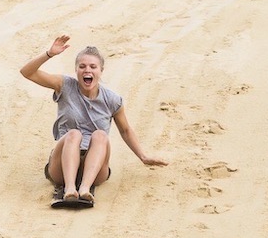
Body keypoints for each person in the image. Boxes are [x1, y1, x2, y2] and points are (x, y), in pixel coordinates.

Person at [20, 34, 168, 202]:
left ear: (101, 70)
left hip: (96, 168)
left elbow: (125, 130)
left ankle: (84, 188)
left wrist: (143, 156)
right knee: (74, 134)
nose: (87, 70)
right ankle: (69, 188)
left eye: (93, 66)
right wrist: (49, 54)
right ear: (76, 70)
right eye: (82, 66)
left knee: (100, 135)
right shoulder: (65, 85)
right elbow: (27, 72)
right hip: (62, 166)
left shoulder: (112, 99)